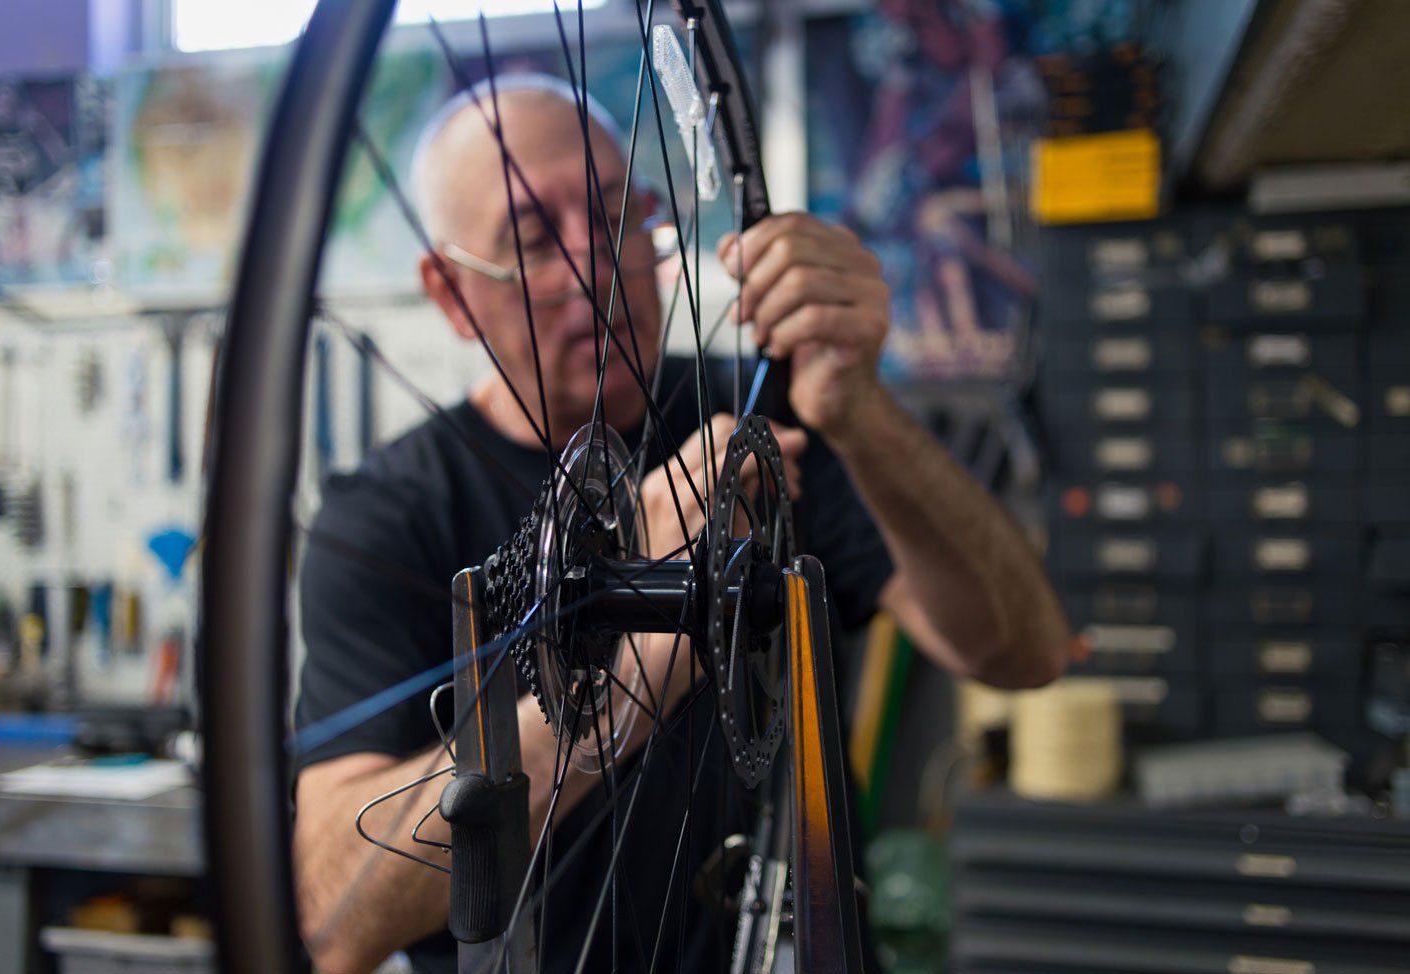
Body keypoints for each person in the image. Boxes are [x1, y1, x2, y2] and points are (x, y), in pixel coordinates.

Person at [292, 75, 1070, 974]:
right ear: (450, 293)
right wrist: (620, 672)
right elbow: (330, 917)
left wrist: (859, 408)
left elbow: (1028, 651)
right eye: (534, 240)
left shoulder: (765, 411)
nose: (599, 266)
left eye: (620, 214)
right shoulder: (386, 517)